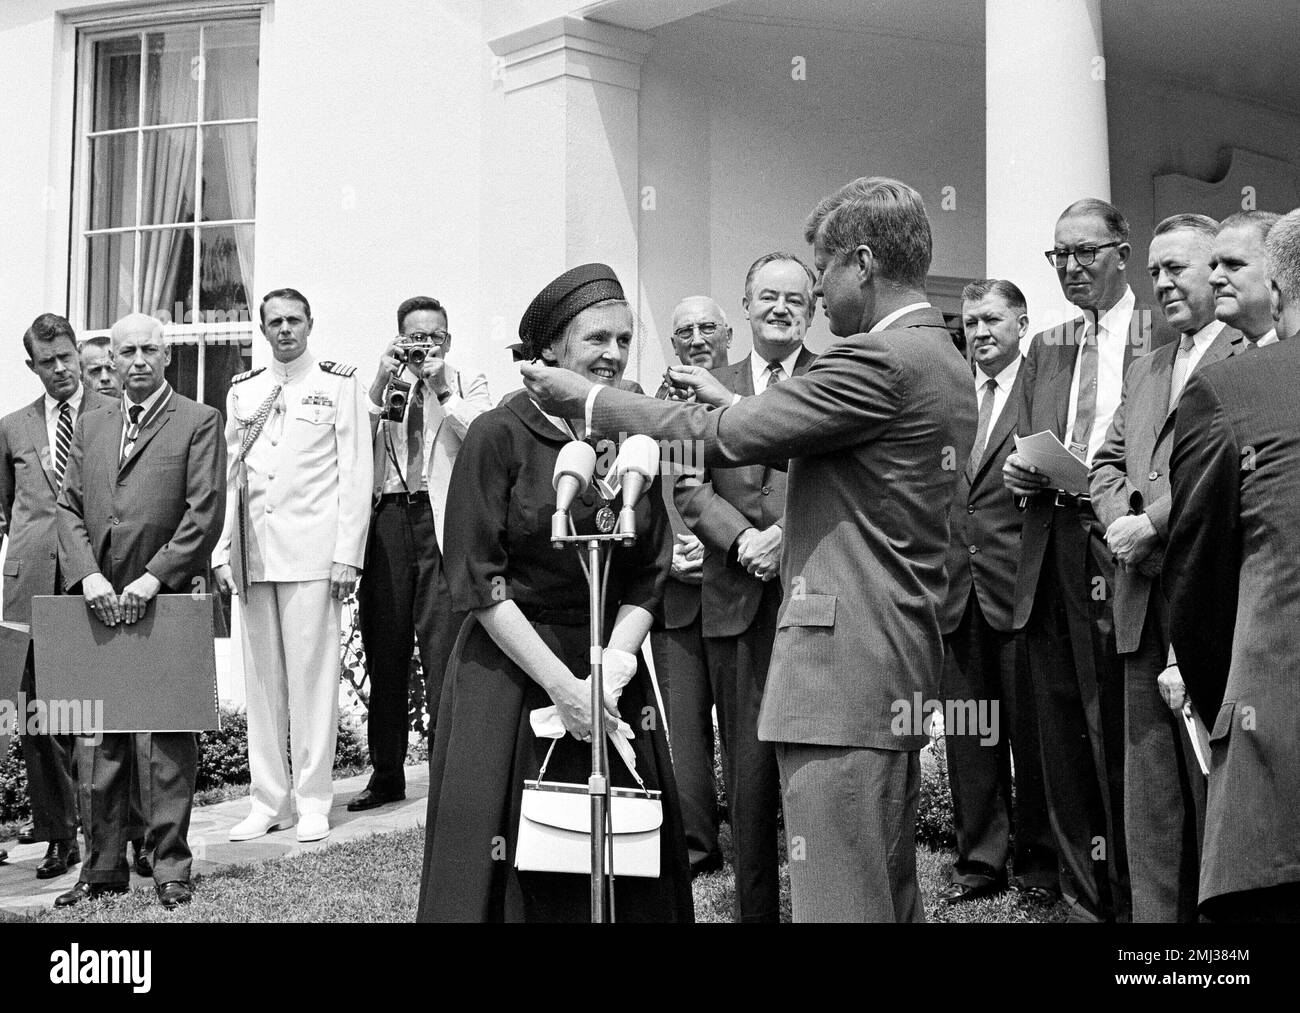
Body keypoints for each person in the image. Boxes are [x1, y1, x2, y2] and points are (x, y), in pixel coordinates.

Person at [523, 177, 977, 922]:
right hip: (885, 662)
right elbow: (786, 429)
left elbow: (726, 437)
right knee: (883, 892)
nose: (819, 293)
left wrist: (590, 399)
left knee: (841, 901)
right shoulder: (936, 354)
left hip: (842, 677)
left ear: (862, 262)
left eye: (824, 269)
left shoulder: (878, 359)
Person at [417, 263, 693, 922]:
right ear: (550, 350)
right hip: (510, 666)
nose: (615, 354)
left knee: (621, 851)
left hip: (611, 671)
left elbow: (650, 568)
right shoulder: (497, 434)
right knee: (505, 855)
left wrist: (611, 671)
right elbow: (477, 578)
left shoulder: (631, 434)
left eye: (625, 340)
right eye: (597, 338)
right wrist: (566, 689)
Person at [1089, 214, 1243, 922]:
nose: (1163, 282)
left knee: (1215, 783)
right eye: (1154, 271)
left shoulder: (1253, 354)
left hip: (1211, 603)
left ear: (1216, 270)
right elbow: (1107, 459)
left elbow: (1233, 468)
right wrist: (1124, 513)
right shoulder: (1146, 366)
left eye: (1177, 267)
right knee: (1149, 799)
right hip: (1138, 604)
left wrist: (1152, 521)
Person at [54, 313, 226, 909]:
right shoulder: (92, 421)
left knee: (168, 745)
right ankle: (100, 869)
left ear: (168, 355)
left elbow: (204, 513)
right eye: (126, 351)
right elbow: (68, 508)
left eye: (150, 349)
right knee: (100, 743)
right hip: (97, 603)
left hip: (166, 598)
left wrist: (154, 579)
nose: (137, 361)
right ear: (111, 357)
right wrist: (91, 578)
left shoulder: (200, 422)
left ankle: (171, 867)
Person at [1002, 198, 1140, 923]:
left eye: (1086, 253)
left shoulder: (1154, 338)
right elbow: (1026, 440)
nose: (1071, 268)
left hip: (1116, 544)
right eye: (1059, 256)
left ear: (1122, 250)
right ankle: (1083, 900)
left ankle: (1133, 893)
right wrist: (1021, 472)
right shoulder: (1049, 345)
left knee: (1116, 724)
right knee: (1058, 728)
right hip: (1048, 544)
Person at [1164, 206, 1300, 921]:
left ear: (1277, 289)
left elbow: (1196, 577)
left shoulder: (1232, 391)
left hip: (1276, 762)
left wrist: (1229, 706)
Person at [672, 254, 817, 922]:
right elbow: (685, 482)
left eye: (795, 296)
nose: (781, 307)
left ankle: (828, 905)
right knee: (751, 781)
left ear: (812, 306)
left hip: (816, 601)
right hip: (734, 599)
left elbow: (848, 481)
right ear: (748, 307)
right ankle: (756, 912)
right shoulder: (701, 386)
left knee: (818, 776)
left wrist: (784, 534)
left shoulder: (835, 379)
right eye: (768, 296)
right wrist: (740, 541)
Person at [215, 289, 373, 844]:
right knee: (261, 686)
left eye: (294, 320)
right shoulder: (245, 391)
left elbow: (355, 473)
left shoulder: (337, 384)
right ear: (262, 329)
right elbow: (231, 477)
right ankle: (268, 800)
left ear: (311, 323)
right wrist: (222, 550)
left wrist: (347, 554)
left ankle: (312, 799)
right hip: (255, 552)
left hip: (312, 553)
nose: (285, 330)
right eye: (275, 322)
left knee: (311, 683)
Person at [346, 296, 491, 813]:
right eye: (414, 338)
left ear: (447, 340)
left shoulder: (465, 380)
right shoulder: (383, 387)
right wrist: (382, 384)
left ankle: (445, 771)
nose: (424, 346)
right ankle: (386, 774)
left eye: (434, 337)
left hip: (439, 520)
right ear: (397, 338)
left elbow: (481, 436)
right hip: (387, 518)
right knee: (384, 649)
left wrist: (441, 387)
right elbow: (348, 444)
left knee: (440, 650)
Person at [938, 281, 1056, 905]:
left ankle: (1038, 865)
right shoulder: (954, 395)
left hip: (1021, 589)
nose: (979, 332)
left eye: (991, 320)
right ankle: (980, 861)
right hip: (959, 591)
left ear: (1022, 320)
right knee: (969, 735)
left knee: (1032, 735)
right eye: (970, 323)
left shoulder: (1043, 389)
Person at [0, 314, 112, 880]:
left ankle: (112, 833)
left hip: (92, 576)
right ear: (33, 366)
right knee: (37, 718)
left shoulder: (111, 415)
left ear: (78, 351)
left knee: (99, 711)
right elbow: (7, 508)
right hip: (30, 586)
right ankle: (58, 836)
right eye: (48, 362)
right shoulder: (13, 427)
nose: (61, 369)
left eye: (67, 356)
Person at [650, 295, 730, 877]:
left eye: (707, 327)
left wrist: (719, 541)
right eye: (685, 331)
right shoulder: (649, 408)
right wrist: (669, 549)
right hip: (675, 590)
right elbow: (649, 491)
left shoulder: (747, 400)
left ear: (727, 333)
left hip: (739, 581)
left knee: (750, 724)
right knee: (684, 727)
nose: (697, 337)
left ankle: (760, 832)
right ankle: (697, 845)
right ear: (672, 342)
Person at [1209, 211, 1282, 349]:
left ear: (1280, 270)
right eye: (1214, 266)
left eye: (1233, 264)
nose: (1213, 278)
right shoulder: (1213, 362)